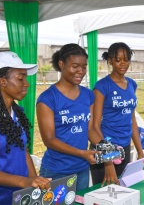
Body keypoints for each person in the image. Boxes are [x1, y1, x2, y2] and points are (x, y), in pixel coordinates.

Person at [0, 51, 51, 204]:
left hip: (18, 197)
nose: (27, 83)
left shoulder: (18, 113)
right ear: (2, 81)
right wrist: (24, 182)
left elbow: (23, 152)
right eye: (20, 78)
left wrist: (33, 181)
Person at [36, 43, 100, 191]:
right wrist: (81, 153)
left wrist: (105, 147)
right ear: (61, 64)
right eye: (75, 66)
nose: (80, 71)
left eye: (84, 67)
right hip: (56, 171)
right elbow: (49, 140)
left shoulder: (88, 95)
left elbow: (90, 130)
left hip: (82, 168)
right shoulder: (48, 99)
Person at [90, 42, 144, 186]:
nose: (122, 64)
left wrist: (140, 151)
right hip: (105, 148)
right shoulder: (102, 86)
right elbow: (94, 126)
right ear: (110, 61)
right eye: (118, 60)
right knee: (102, 194)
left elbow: (131, 119)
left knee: (121, 192)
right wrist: (108, 161)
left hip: (124, 147)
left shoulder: (132, 84)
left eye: (126, 59)